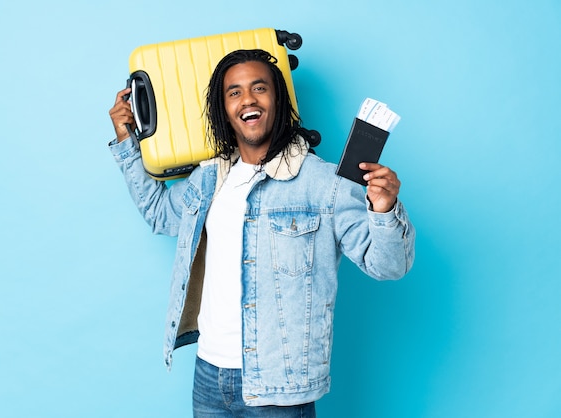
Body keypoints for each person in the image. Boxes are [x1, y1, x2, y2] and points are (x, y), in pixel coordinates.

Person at [108, 48, 415, 417]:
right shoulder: (209, 178)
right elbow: (160, 215)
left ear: (279, 100)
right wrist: (126, 141)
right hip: (208, 376)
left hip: (279, 388)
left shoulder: (324, 183)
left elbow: (388, 266)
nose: (247, 99)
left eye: (259, 88)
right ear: (224, 109)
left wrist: (383, 210)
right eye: (234, 92)